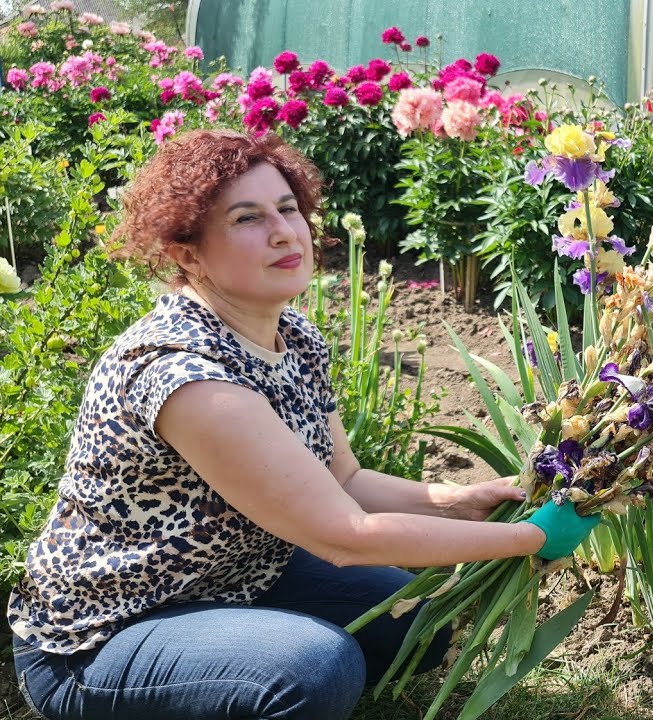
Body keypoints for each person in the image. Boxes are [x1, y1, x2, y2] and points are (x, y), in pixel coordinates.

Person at [6, 129, 600, 720]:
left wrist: (464, 501)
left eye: (288, 208)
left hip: (236, 579)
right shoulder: (186, 377)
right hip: (103, 635)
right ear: (188, 254)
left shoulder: (293, 337)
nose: (285, 231)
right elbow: (343, 535)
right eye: (247, 218)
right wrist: (531, 539)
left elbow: (344, 476)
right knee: (314, 669)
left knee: (417, 624)